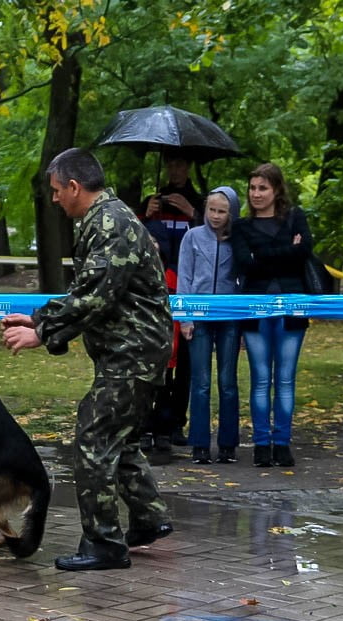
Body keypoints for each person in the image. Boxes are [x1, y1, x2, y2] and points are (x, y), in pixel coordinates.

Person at [2, 147, 173, 571]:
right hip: (135, 350)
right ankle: (149, 519)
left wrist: (41, 331)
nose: (55, 199)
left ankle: (104, 544)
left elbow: (96, 295)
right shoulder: (105, 220)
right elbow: (95, 292)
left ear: (75, 187)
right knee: (121, 438)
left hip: (133, 353)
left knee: (93, 439)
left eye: (58, 191)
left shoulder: (111, 223)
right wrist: (42, 318)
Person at [230, 163, 312, 468]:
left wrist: (261, 254)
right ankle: (262, 445)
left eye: (262, 188)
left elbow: (304, 254)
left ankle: (283, 442)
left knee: (286, 378)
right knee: (261, 378)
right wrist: (284, 252)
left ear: (277, 189)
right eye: (252, 188)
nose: (256, 194)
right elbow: (244, 264)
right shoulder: (241, 226)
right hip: (255, 308)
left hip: (292, 309)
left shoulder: (295, 217)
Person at [138, 153, 205, 452]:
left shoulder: (200, 202)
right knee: (161, 358)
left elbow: (212, 234)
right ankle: (151, 421)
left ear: (188, 165)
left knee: (186, 362)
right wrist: (144, 212)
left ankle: (178, 420)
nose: (176, 167)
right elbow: (137, 237)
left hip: (189, 288)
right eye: (171, 163)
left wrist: (194, 213)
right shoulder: (154, 201)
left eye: (181, 163)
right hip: (158, 285)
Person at [176, 187, 242, 465]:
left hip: (229, 318)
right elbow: (184, 278)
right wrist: (184, 318)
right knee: (200, 383)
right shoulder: (192, 238)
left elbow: (244, 281)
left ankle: (228, 443)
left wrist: (241, 321)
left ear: (232, 213)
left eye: (221, 211)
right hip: (199, 316)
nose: (215, 216)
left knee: (228, 382)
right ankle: (200, 443)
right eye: (211, 210)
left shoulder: (238, 241)